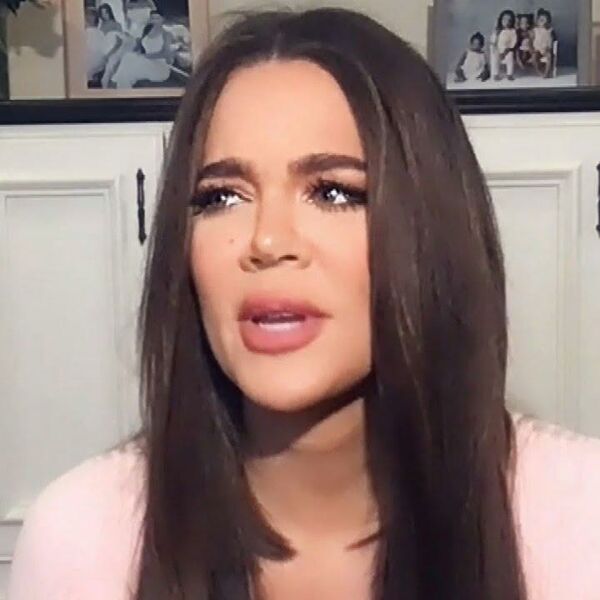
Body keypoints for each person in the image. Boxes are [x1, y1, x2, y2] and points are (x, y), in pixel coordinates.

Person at [7, 7, 600, 600]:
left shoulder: (578, 522)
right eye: (221, 197)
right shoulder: (83, 536)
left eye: (333, 192)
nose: (267, 242)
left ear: (431, 223)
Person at [107, 10, 178, 89]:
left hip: (159, 67)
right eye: (152, 18)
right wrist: (137, 54)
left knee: (128, 66)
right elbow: (139, 47)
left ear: (162, 19)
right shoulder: (147, 31)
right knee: (128, 63)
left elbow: (165, 54)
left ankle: (115, 81)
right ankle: (123, 90)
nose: (155, 21)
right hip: (146, 62)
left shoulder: (166, 34)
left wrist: (144, 56)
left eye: (157, 18)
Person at [490, 9, 518, 81]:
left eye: (509, 20)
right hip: (498, 49)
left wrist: (507, 50)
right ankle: (495, 74)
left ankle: (509, 74)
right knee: (495, 57)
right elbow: (493, 41)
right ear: (501, 20)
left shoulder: (512, 31)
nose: (507, 22)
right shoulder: (497, 30)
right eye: (505, 20)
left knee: (510, 56)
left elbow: (513, 41)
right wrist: (495, 48)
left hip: (507, 49)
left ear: (512, 22)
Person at [532, 8, 556, 78]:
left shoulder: (550, 30)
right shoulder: (535, 30)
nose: (542, 22)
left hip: (546, 48)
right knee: (534, 57)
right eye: (540, 20)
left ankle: (546, 73)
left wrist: (549, 47)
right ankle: (539, 71)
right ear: (537, 21)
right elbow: (532, 39)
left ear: (548, 21)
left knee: (549, 56)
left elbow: (553, 39)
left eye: (544, 20)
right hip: (537, 49)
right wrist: (533, 48)